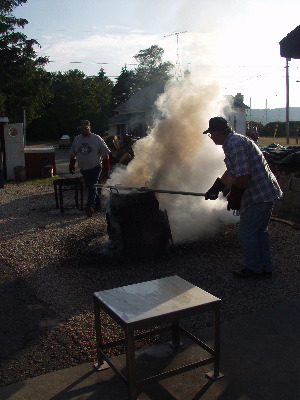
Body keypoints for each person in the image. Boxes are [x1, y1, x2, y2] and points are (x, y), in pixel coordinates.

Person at [204, 117, 282, 279]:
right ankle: (265, 268)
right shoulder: (235, 141)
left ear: (218, 132)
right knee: (260, 232)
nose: (211, 138)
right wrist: (216, 187)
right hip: (266, 192)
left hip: (258, 195)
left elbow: (243, 177)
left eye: (211, 134)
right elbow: (233, 171)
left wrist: (234, 197)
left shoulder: (234, 145)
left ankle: (254, 269)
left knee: (248, 232)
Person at [69, 120, 111, 217]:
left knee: (92, 186)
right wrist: (71, 164)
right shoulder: (77, 139)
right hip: (84, 168)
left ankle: (89, 207)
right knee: (91, 187)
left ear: (90, 128)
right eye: (83, 129)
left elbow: (105, 153)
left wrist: (107, 166)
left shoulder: (96, 139)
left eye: (86, 128)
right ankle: (98, 204)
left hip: (95, 167)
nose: (84, 130)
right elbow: (72, 153)